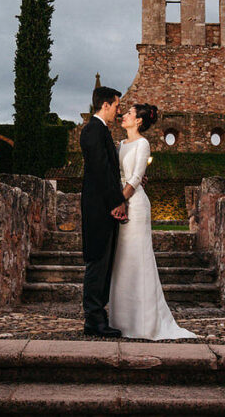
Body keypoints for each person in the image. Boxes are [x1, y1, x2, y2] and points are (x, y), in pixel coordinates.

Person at [109, 103, 197, 340]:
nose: (124, 115)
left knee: (138, 259)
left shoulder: (143, 143)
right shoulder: (120, 145)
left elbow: (136, 177)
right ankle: (122, 320)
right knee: (122, 260)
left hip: (135, 206)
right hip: (121, 201)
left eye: (129, 113)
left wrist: (120, 202)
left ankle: (145, 322)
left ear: (138, 120)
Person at [79, 86, 128, 337]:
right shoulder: (92, 131)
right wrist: (116, 202)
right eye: (117, 106)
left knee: (104, 262)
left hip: (103, 207)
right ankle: (93, 319)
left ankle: (99, 316)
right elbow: (100, 170)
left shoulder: (100, 131)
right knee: (97, 261)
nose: (119, 111)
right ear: (105, 105)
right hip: (99, 208)